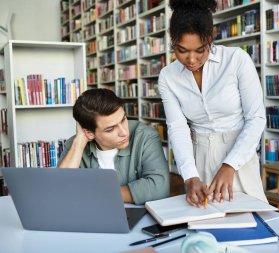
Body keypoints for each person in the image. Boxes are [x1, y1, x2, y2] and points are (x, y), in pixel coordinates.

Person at [158, 0, 267, 206]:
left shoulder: (237, 60)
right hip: (198, 159)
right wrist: (190, 176)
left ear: (211, 38)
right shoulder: (167, 76)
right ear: (172, 42)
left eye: (200, 50)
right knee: (203, 225)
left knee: (250, 221)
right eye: (182, 50)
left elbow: (256, 118)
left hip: (239, 156)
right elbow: (178, 129)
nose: (191, 59)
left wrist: (230, 165)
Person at [58, 89, 169, 205]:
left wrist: (96, 193)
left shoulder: (146, 136)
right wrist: (79, 142)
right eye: (110, 129)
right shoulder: (75, 144)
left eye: (123, 119)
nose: (124, 132)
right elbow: (60, 191)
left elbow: (159, 188)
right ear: (89, 133)